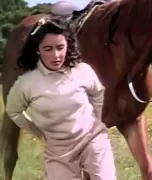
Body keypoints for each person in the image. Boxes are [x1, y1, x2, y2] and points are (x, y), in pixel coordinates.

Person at [5, 17, 117, 180]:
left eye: (60, 47)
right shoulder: (26, 83)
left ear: (68, 46)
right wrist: (39, 133)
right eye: (48, 49)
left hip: (92, 140)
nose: (56, 55)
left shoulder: (82, 70)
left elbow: (97, 93)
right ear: (38, 50)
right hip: (58, 150)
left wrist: (99, 121)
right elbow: (13, 111)